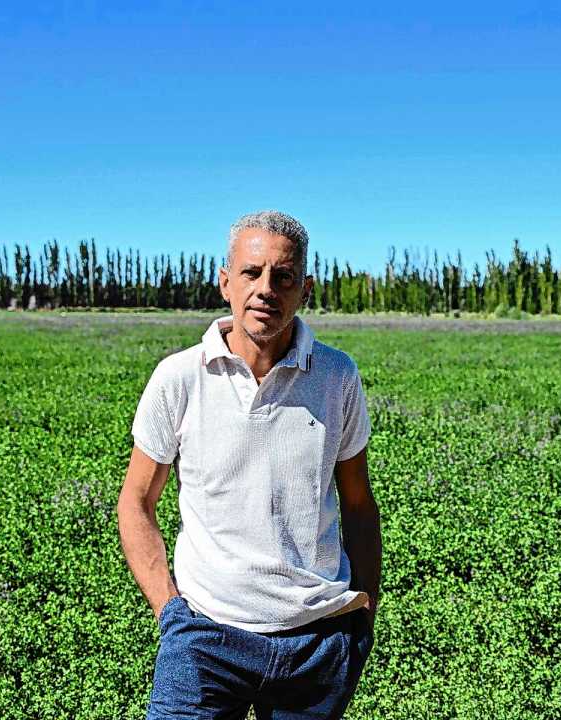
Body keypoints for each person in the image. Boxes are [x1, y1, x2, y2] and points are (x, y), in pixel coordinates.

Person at [116, 210, 382, 719]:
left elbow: (358, 503)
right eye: (251, 273)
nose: (266, 289)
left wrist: (363, 614)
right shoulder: (178, 378)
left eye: (283, 277)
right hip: (206, 637)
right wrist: (171, 611)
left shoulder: (336, 376)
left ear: (305, 289)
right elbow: (136, 502)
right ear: (225, 282)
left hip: (316, 644)